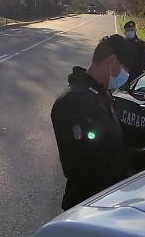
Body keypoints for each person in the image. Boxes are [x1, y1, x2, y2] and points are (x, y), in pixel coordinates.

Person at [51, 34, 138, 210]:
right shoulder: (73, 101)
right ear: (112, 61)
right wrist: (129, 164)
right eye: (125, 70)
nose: (126, 77)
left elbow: (113, 138)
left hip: (108, 199)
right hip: (87, 207)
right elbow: (81, 166)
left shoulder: (101, 94)